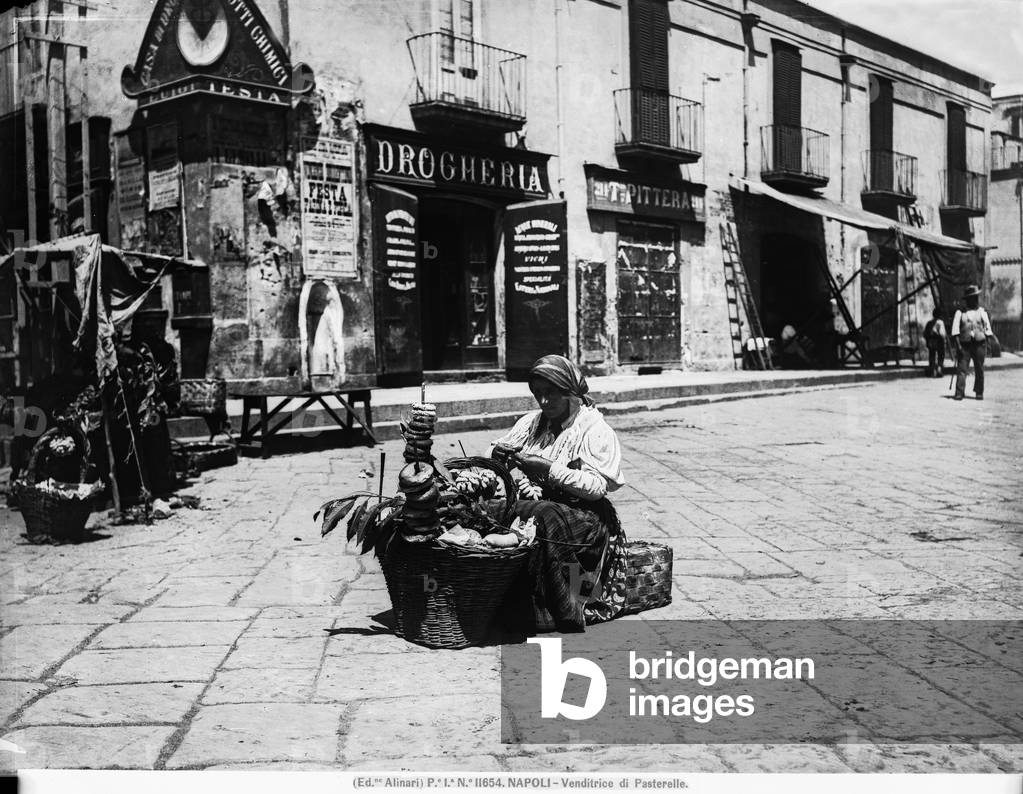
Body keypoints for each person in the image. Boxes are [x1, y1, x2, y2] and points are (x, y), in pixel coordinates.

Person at [489, 354, 628, 633]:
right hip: (539, 506)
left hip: (584, 518)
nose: (543, 401)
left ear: (569, 391)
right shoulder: (530, 423)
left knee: (545, 516)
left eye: (550, 393)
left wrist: (548, 469)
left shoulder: (593, 429)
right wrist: (497, 456)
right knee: (491, 508)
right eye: (537, 393)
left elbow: (597, 487)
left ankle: (556, 609)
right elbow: (497, 451)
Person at [951, 285, 993, 401]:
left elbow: (987, 330)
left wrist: (988, 345)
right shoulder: (960, 313)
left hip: (979, 344)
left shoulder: (982, 312)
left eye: (976, 297)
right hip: (965, 345)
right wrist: (958, 346)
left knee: (979, 369)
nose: (975, 300)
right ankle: (959, 392)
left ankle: (979, 392)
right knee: (962, 369)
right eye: (972, 298)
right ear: (967, 299)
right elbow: (955, 331)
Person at [923, 308, 947, 378]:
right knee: (941, 355)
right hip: (939, 340)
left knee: (932, 356)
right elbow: (942, 333)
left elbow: (925, 333)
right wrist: (944, 340)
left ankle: (933, 371)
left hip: (931, 341)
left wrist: (927, 340)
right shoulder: (940, 322)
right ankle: (939, 369)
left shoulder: (929, 323)